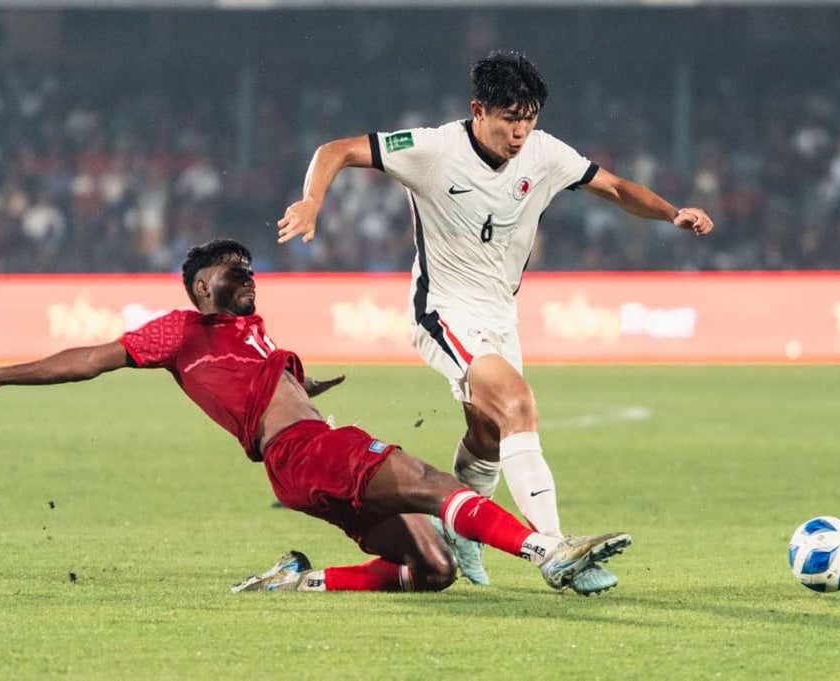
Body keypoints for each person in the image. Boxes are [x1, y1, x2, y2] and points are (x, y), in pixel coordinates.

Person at [0, 238, 631, 594]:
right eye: (236, 272)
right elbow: (89, 357)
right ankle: (547, 551)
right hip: (307, 450)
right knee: (427, 479)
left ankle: (304, 579)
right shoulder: (180, 331)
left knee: (436, 567)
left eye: (251, 269)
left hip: (299, 463)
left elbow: (259, 385)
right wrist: (0, 374)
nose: (250, 276)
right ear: (204, 285)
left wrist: (302, 383)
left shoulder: (258, 335)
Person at [277, 51, 714, 592]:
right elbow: (336, 150)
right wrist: (311, 201)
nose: (520, 132)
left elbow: (619, 189)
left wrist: (673, 213)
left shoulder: (545, 154)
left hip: (501, 315)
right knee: (518, 402)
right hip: (444, 309)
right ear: (478, 110)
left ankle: (458, 532)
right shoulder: (433, 149)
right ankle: (556, 548)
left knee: (487, 433)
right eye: (510, 118)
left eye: (529, 119)